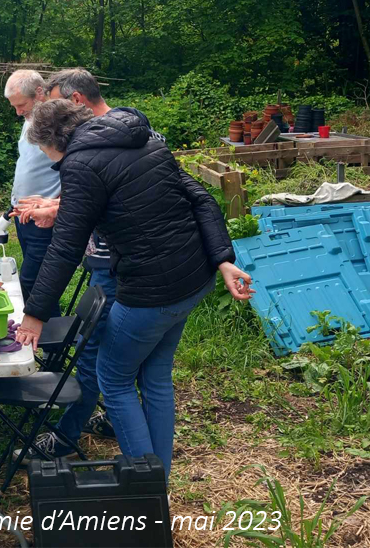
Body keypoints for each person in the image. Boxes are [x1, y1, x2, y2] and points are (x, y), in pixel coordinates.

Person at [14, 99, 253, 479]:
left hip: (150, 292)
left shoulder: (78, 162)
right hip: (194, 277)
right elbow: (200, 198)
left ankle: (145, 485)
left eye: (45, 152)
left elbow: (65, 248)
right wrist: (223, 258)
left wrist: (35, 314)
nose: (50, 161)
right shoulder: (146, 140)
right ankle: (160, 483)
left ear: (54, 140)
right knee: (155, 378)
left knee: (114, 378)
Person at [4, 69, 62, 321]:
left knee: (33, 279)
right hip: (23, 214)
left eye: (21, 105)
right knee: (40, 279)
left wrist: (56, 203)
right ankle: (51, 335)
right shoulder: (31, 118)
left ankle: (44, 334)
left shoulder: (58, 120)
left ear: (40, 93)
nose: (18, 111)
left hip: (44, 215)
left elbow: (73, 168)